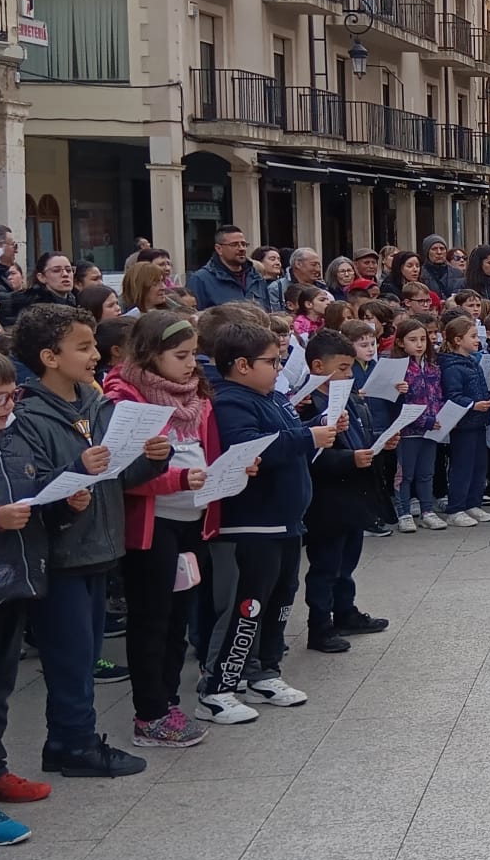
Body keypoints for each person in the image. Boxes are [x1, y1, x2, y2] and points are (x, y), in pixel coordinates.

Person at [14, 304, 173, 774]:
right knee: (70, 657)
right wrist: (73, 480)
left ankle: (68, 740)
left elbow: (116, 474)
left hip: (100, 547)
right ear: (49, 356)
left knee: (83, 654)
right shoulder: (28, 415)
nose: (94, 356)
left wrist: (153, 459)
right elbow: (32, 484)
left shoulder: (96, 404)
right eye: (82, 348)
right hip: (60, 554)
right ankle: (74, 744)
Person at [196, 319, 334, 717]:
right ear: (241, 365)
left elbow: (286, 440)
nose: (279, 368)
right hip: (251, 522)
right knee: (247, 605)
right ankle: (218, 686)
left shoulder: (272, 398)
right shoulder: (230, 401)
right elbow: (248, 448)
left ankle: (263, 672)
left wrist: (314, 431)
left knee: (280, 600)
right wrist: (307, 437)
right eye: (272, 361)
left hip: (286, 520)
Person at [104, 310, 222, 749]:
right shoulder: (125, 397)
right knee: (152, 620)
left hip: (193, 521)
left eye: (193, 354)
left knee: (178, 620)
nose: (191, 364)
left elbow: (205, 448)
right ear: (151, 354)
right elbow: (124, 471)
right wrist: (175, 479)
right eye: (180, 355)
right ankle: (149, 714)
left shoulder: (197, 393)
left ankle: (169, 702)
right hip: (153, 529)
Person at [0, 338, 50, 843]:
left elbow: (30, 484)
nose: (8, 405)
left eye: (12, 395)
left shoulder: (7, 438)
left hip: (13, 582)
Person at [300, 329, 393, 650]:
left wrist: (381, 443)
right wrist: (348, 458)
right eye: (340, 367)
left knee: (347, 561)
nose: (348, 374)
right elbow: (311, 457)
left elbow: (360, 436)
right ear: (316, 366)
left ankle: (345, 612)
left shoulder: (352, 399)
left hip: (354, 493)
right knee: (326, 564)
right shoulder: (306, 404)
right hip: (326, 499)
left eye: (350, 367)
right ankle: (319, 625)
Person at [437, 313, 490, 525]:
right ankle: (456, 507)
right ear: (457, 340)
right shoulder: (451, 366)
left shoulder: (472, 362)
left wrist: (488, 400)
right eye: (472, 336)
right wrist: (473, 405)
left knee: (479, 465)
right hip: (463, 424)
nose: (477, 340)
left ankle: (473, 503)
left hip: (479, 422)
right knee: (462, 465)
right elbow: (452, 395)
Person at [391, 316, 445, 531]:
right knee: (405, 474)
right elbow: (400, 404)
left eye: (423, 339)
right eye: (413, 340)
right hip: (408, 430)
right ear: (401, 342)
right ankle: (404, 512)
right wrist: (425, 420)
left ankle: (427, 510)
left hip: (431, 428)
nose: (420, 344)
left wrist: (440, 417)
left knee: (426, 473)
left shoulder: (432, 367)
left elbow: (438, 396)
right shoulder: (399, 369)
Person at [188, 225, 264, 309]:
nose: (242, 248)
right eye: (234, 244)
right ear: (219, 249)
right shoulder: (200, 280)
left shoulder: (256, 278)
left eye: (243, 244)